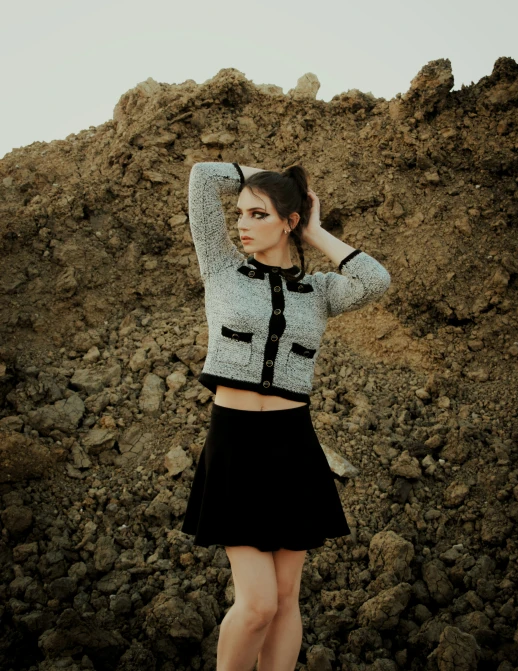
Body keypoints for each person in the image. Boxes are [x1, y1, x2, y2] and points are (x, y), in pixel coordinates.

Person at [180, 160, 391, 671]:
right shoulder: (221, 266)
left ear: (288, 221)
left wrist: (316, 229)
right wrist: (278, 178)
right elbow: (204, 178)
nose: (243, 224)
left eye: (258, 213)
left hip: (294, 446)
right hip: (235, 444)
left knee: (286, 597)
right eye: (240, 214)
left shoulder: (318, 293)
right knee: (257, 605)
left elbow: (375, 280)